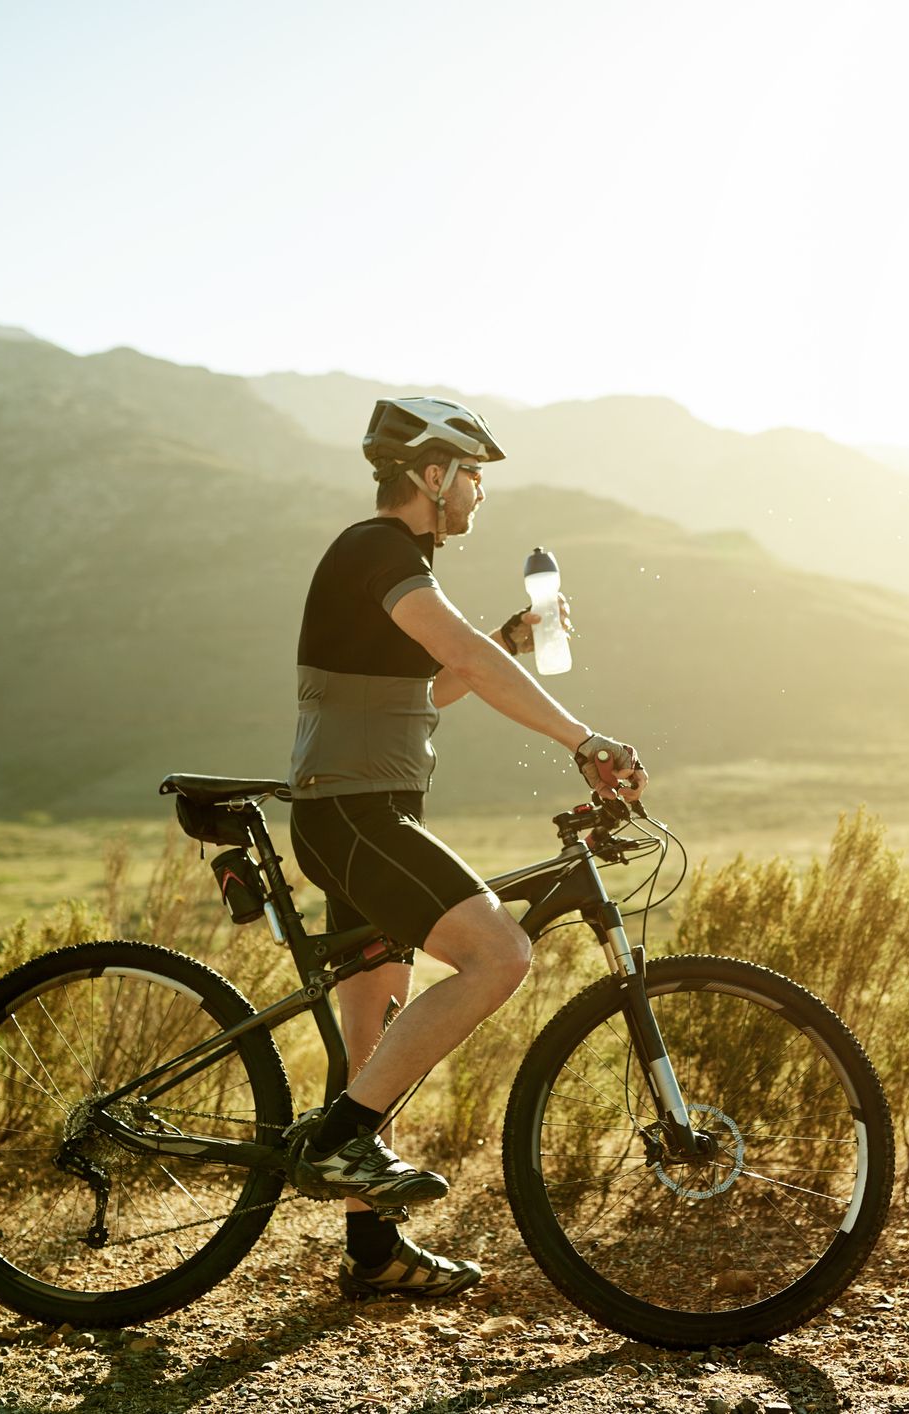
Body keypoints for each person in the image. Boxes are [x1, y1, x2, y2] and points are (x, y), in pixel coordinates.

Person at [284, 395, 648, 1300]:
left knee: (373, 1031)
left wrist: (510, 637)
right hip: (358, 818)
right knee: (498, 954)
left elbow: (432, 688)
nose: (479, 494)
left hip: (349, 814)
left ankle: (371, 1253)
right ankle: (333, 1143)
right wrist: (585, 741)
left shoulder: (389, 568)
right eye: (472, 475)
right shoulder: (378, 550)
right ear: (430, 475)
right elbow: (477, 676)